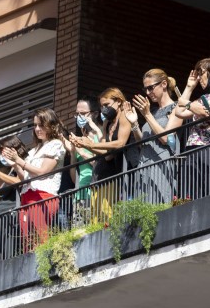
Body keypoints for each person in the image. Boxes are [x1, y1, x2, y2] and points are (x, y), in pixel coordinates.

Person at [3, 108, 66, 250]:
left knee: (41, 235)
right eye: (35, 125)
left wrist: (19, 160)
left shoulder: (56, 144)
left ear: (51, 125)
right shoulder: (33, 151)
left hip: (42, 195)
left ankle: (44, 261)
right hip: (27, 196)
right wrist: (15, 164)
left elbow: (43, 172)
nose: (37, 129)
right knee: (27, 240)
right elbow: (24, 178)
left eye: (41, 125)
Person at [73, 88, 135, 220]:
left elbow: (120, 143)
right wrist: (85, 144)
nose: (104, 109)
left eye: (107, 105)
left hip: (129, 169)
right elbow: (106, 154)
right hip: (114, 171)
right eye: (101, 106)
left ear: (119, 101)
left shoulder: (125, 116)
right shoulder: (107, 122)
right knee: (102, 218)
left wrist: (91, 145)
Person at [175, 57, 210, 199]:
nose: (199, 78)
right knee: (189, 191)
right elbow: (179, 112)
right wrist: (189, 87)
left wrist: (188, 104)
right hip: (193, 146)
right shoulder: (203, 97)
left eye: (201, 73)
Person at [127, 68, 183, 203]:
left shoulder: (176, 108)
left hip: (162, 163)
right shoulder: (153, 111)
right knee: (143, 206)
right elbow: (142, 143)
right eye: (145, 89)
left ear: (164, 84)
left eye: (150, 88)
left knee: (159, 203)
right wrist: (134, 124)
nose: (147, 93)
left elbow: (166, 138)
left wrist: (147, 115)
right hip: (144, 164)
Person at [63, 97, 102, 222]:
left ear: (95, 114)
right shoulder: (80, 140)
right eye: (77, 114)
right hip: (80, 195)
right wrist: (73, 152)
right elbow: (75, 178)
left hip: (97, 192)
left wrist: (82, 152)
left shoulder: (100, 136)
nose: (79, 117)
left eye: (83, 113)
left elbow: (99, 163)